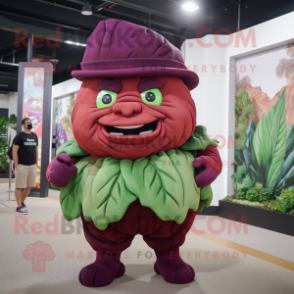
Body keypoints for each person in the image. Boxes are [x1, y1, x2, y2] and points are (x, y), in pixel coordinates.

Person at [13, 118, 39, 214]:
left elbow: (36, 149)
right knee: (19, 186)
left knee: (29, 186)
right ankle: (19, 206)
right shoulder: (19, 136)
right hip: (22, 165)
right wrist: (16, 165)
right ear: (23, 125)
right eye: (28, 123)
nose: (30, 124)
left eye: (30, 122)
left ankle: (21, 202)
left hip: (32, 166)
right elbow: (14, 151)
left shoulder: (34, 136)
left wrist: (36, 163)